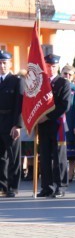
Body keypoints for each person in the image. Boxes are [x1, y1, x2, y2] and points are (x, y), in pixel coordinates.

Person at [36, 54, 71, 198]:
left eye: (54, 66)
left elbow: (64, 105)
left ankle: (60, 186)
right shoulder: (40, 83)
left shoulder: (63, 83)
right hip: (43, 126)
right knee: (44, 157)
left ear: (57, 67)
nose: (51, 69)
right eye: (48, 66)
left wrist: (47, 116)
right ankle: (46, 186)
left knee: (59, 158)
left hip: (57, 125)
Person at [0, 51, 22, 198]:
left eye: (4, 63)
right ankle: (2, 185)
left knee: (13, 156)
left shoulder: (16, 81)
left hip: (10, 121)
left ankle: (13, 187)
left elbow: (19, 105)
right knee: (1, 157)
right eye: (0, 63)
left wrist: (17, 125)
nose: (2, 66)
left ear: (10, 64)